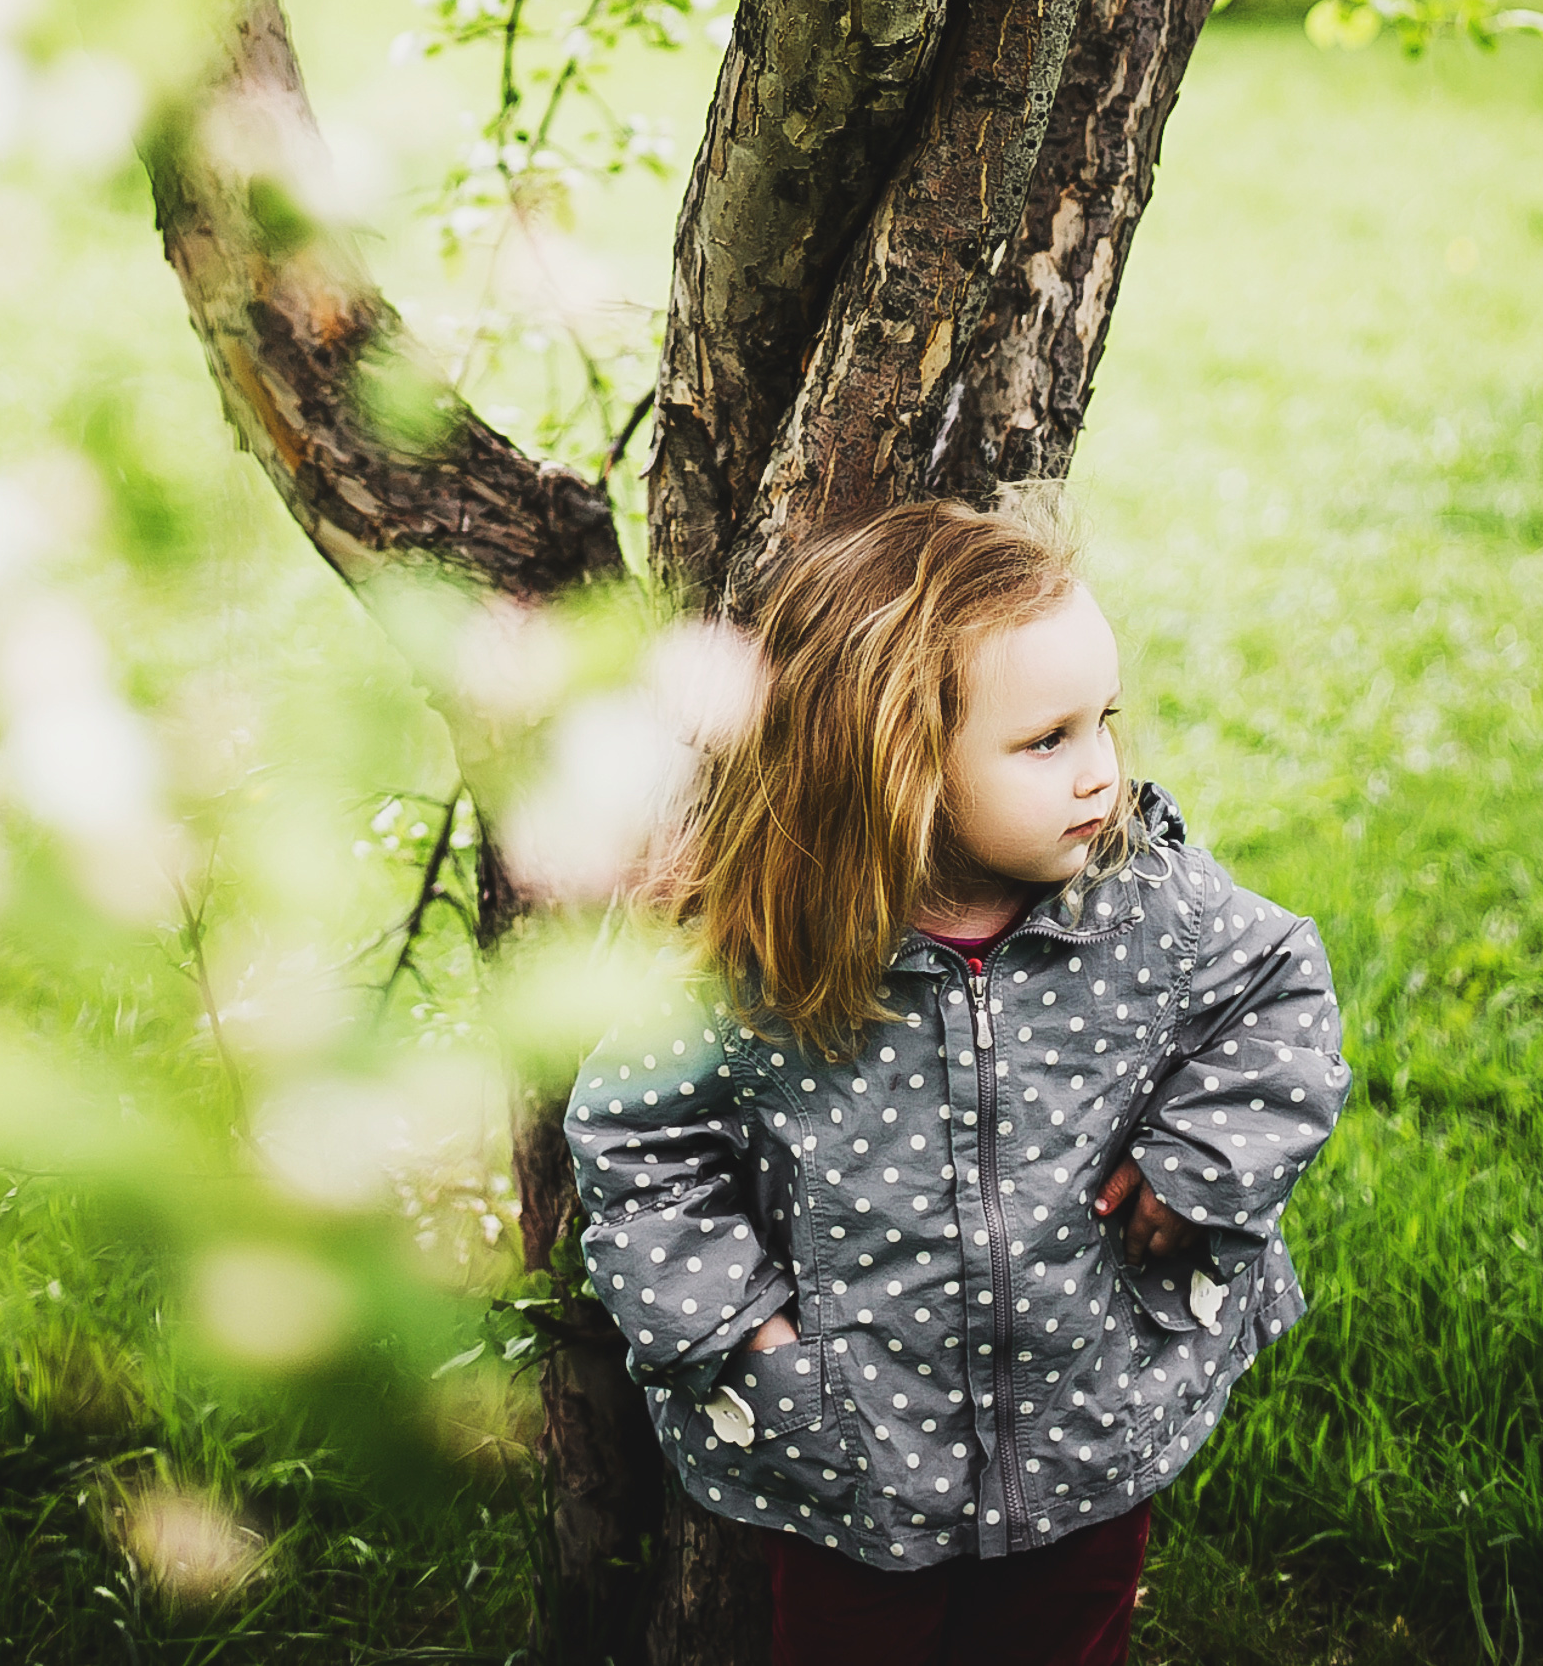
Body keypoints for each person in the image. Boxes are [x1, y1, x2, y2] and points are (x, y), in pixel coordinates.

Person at [564, 499, 1350, 1666]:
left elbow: (1279, 996)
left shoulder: (1138, 903)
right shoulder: (757, 963)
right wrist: (741, 1335)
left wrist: (1200, 1168)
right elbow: (635, 1142)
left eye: (1104, 723)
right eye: (1047, 740)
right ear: (893, 761)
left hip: (1090, 1412)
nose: (1102, 774)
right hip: (856, 1450)